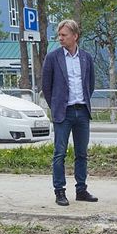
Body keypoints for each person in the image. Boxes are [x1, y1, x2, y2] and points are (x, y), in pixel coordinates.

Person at [41, 19, 98, 207]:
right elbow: (46, 87)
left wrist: (82, 102)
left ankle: (81, 189)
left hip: (81, 111)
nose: (60, 38)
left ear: (75, 36)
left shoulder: (86, 58)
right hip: (62, 113)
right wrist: (56, 105)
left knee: (82, 153)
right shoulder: (53, 57)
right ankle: (59, 191)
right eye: (59, 35)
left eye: (64, 35)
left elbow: (90, 84)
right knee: (59, 153)